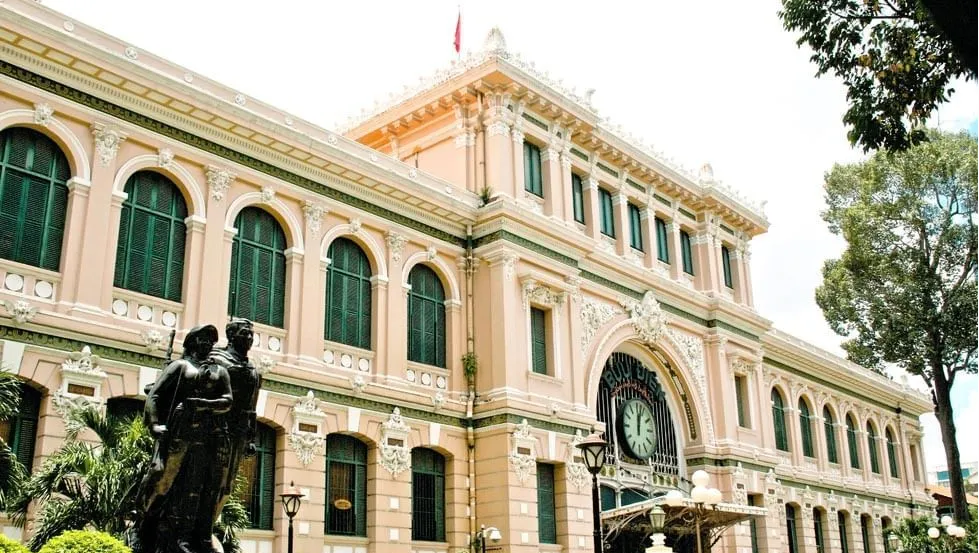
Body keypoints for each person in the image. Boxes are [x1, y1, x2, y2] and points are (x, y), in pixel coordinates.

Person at [128, 324, 233, 553]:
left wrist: (205, 404)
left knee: (192, 487)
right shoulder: (179, 366)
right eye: (203, 339)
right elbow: (155, 395)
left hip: (204, 437)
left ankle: (181, 537)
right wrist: (154, 425)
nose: (207, 344)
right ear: (192, 341)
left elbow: (227, 401)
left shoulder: (218, 371)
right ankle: (141, 518)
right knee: (162, 476)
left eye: (210, 340)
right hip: (177, 433)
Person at [207, 318, 261, 522]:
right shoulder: (216, 360)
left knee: (225, 485)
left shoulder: (253, 371)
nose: (248, 338)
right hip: (215, 430)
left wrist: (251, 437)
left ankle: (208, 527)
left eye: (251, 335)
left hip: (237, 434)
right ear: (231, 336)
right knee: (208, 481)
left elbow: (252, 408)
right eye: (244, 333)